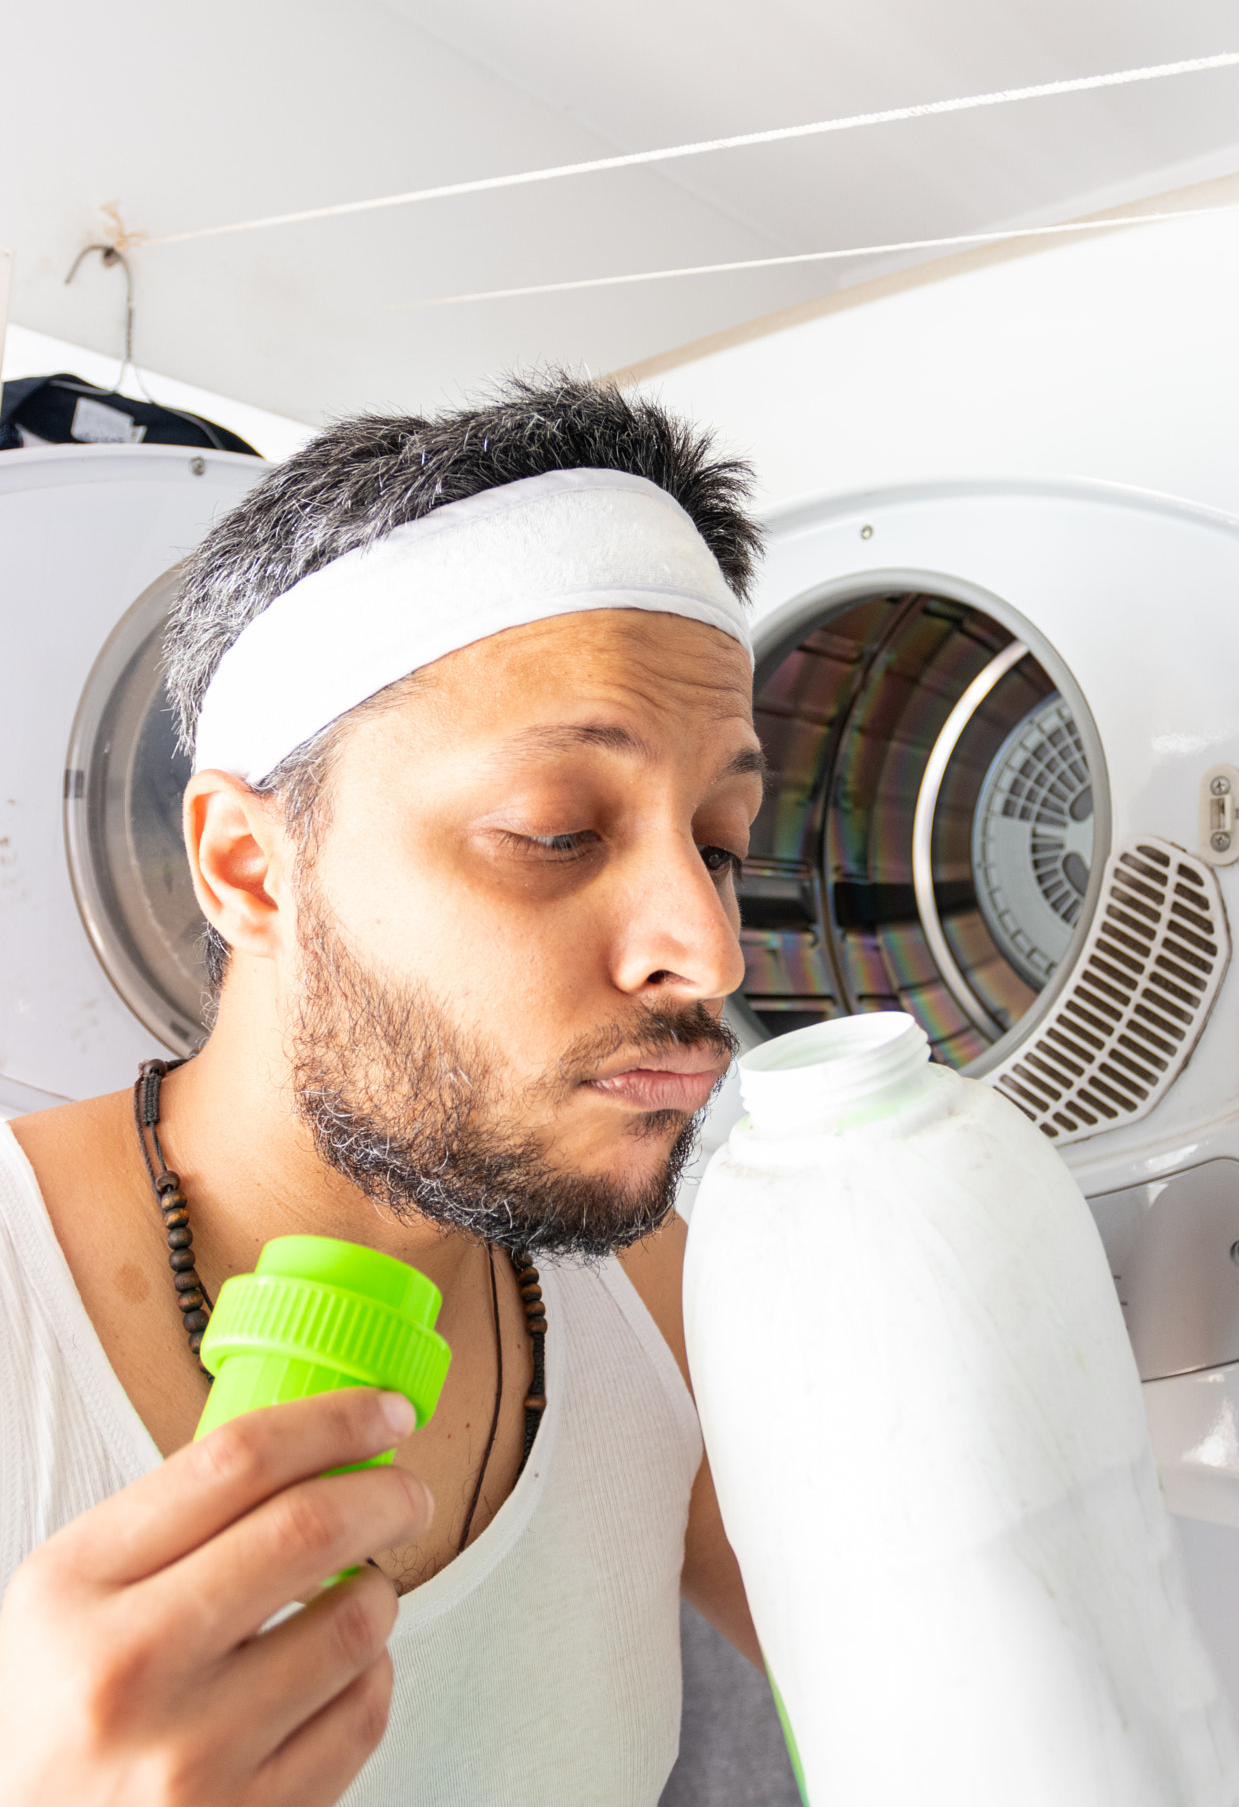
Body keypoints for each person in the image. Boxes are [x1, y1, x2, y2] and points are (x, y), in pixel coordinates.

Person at [0, 374, 769, 1806]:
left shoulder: (659, 1299)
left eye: (721, 840)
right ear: (247, 867)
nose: (705, 945)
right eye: (553, 832)